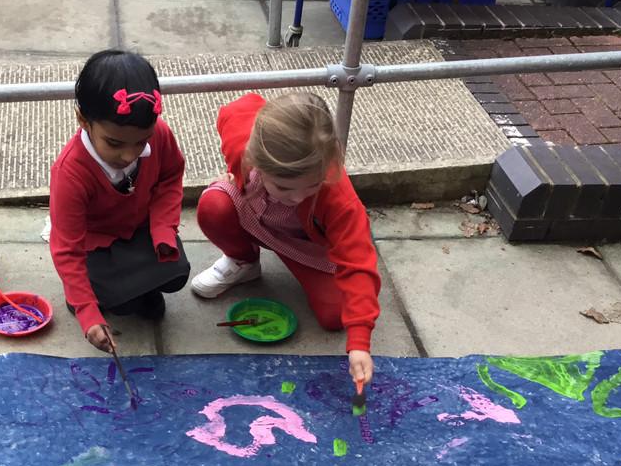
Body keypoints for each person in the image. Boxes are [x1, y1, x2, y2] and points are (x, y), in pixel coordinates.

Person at [191, 92, 381, 386]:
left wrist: (359, 341)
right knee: (214, 206)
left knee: (335, 316)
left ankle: (292, 262)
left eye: (312, 185)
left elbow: (358, 263)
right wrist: (234, 174)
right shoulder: (244, 144)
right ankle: (244, 261)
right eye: (283, 187)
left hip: (307, 247)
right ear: (255, 159)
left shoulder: (339, 199)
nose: (297, 197)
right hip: (256, 217)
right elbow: (237, 108)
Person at [49, 50, 190, 353]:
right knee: (122, 303)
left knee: (177, 273)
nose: (129, 155)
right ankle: (85, 296)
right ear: (83, 120)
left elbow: (170, 177)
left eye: (141, 141)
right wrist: (87, 312)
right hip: (96, 243)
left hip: (139, 228)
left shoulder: (160, 135)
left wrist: (163, 229)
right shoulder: (70, 173)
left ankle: (133, 290)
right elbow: (67, 248)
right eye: (114, 143)